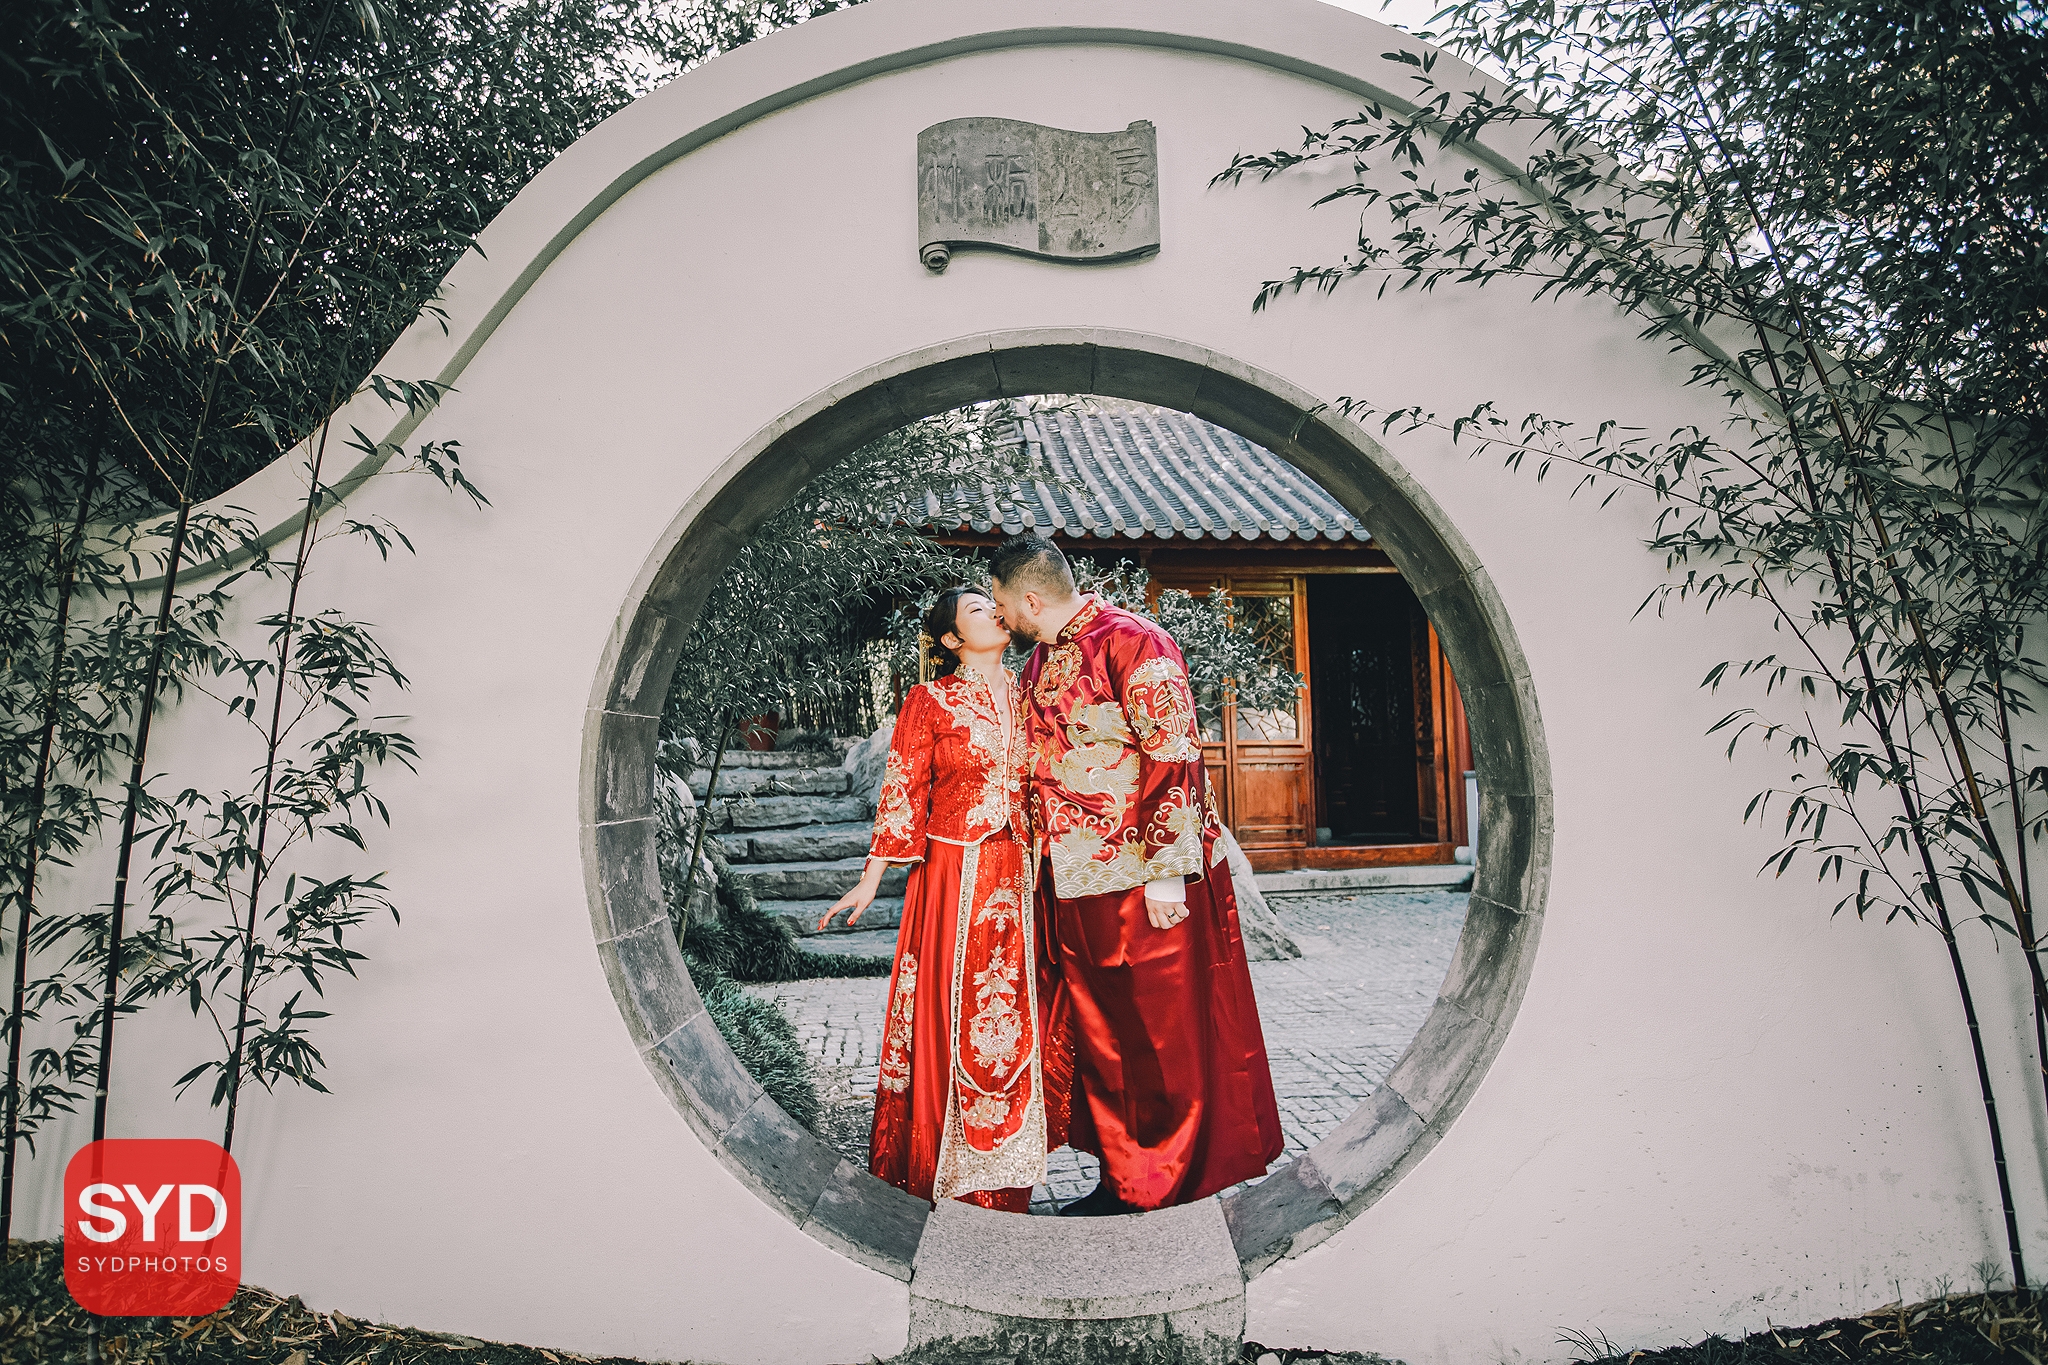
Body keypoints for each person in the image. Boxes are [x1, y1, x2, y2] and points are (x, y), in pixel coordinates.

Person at [988, 534, 1284, 1215]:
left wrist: (1167, 874)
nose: (999, 615)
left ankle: (1163, 1181)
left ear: (1030, 597)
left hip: (1141, 878)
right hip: (1071, 881)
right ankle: (1121, 1173)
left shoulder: (1134, 641)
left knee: (1158, 1033)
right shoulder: (1039, 662)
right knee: (1102, 1032)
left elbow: (1173, 753)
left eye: (1001, 602)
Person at [821, 587, 1045, 1212]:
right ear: (951, 640)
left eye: (992, 605)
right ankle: (944, 1169)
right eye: (975, 610)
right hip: (954, 872)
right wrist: (872, 878)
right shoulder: (930, 700)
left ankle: (1007, 1169)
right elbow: (904, 789)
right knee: (949, 1007)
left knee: (1017, 1010)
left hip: (1023, 874)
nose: (994, 612)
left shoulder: (1035, 694)